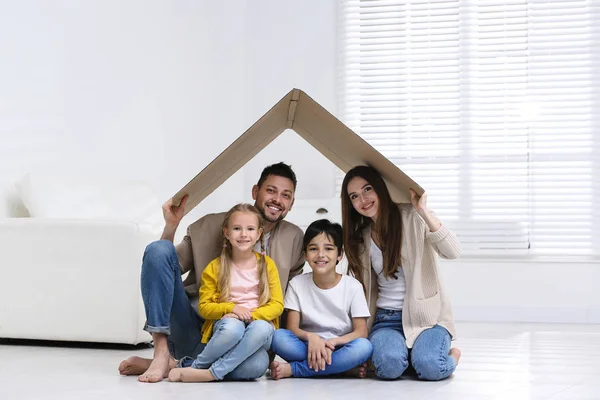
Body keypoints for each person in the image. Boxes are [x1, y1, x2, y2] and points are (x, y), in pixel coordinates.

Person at [118, 162, 304, 383]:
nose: (277, 199)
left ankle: (180, 365)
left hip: (250, 338)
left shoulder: (294, 238)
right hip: (197, 327)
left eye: (286, 195)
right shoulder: (210, 225)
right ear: (256, 191)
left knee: (255, 366)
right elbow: (163, 266)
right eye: (271, 190)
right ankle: (161, 353)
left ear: (291, 203)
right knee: (157, 250)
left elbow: (291, 299)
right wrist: (171, 227)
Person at [341, 165, 461, 381]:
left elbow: (452, 251)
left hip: (428, 319)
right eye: (354, 196)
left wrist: (423, 210)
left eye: (368, 189)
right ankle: (409, 355)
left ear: (380, 188)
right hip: (386, 320)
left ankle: (450, 356)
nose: (363, 199)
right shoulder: (361, 238)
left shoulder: (412, 217)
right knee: (388, 368)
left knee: (431, 367)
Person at [168, 203, 283, 382]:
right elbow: (205, 307)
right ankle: (210, 370)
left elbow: (277, 305)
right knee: (250, 354)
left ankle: (198, 369)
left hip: (258, 330)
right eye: (237, 229)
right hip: (227, 328)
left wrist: (251, 315)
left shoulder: (267, 266)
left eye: (250, 229)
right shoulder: (214, 268)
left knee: (262, 333)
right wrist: (233, 309)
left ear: (259, 234)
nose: (244, 234)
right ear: (227, 233)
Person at [270, 219, 372, 380]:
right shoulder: (297, 284)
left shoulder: (353, 286)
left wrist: (332, 343)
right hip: (306, 346)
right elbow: (292, 328)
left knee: (364, 347)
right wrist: (313, 338)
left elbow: (361, 332)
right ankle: (340, 368)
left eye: (329, 249)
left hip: (339, 347)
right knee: (277, 337)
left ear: (340, 254)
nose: (321, 255)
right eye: (313, 249)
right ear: (305, 254)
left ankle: (296, 369)